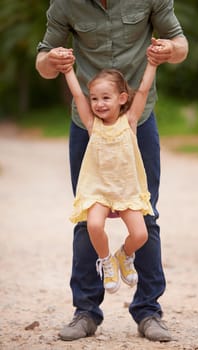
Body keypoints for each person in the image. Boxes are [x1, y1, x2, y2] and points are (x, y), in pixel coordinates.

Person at [36, 0, 188, 342]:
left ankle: (149, 311)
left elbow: (180, 45)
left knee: (145, 215)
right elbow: (44, 63)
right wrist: (52, 61)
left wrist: (168, 50)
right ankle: (86, 311)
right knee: (87, 217)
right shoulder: (65, 4)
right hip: (87, 125)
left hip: (138, 120)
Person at [63, 55, 158, 294]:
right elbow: (77, 95)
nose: (99, 104)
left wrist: (153, 64)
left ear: (122, 98)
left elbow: (144, 90)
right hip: (98, 190)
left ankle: (123, 256)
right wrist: (67, 70)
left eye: (106, 97)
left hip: (126, 189)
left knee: (140, 234)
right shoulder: (92, 125)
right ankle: (106, 261)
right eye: (95, 98)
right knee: (94, 224)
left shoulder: (130, 121)